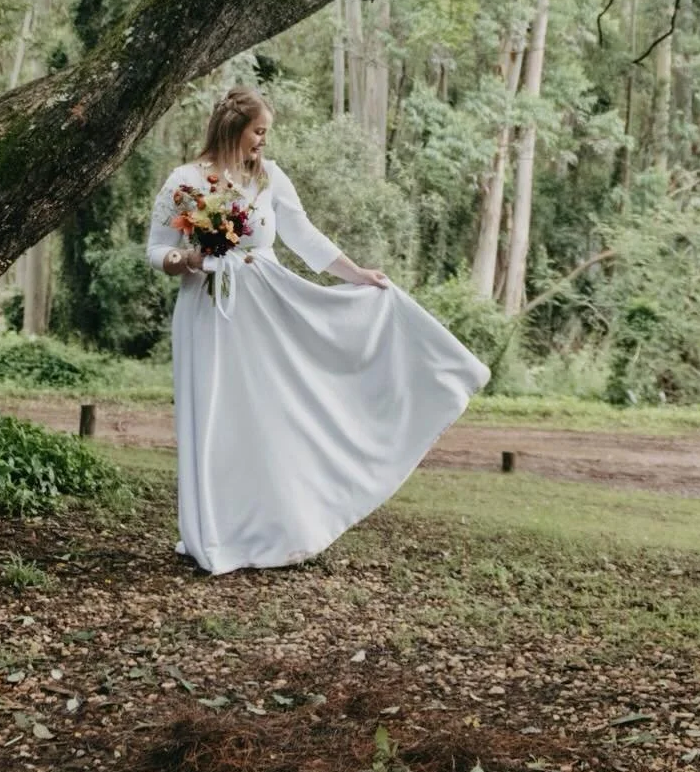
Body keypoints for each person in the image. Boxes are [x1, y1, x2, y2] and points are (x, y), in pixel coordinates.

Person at [148, 85, 490, 575]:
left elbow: (304, 237)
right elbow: (157, 251)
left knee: (269, 414)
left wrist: (357, 275)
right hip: (208, 311)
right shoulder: (184, 180)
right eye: (258, 131)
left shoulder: (269, 178)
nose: (263, 141)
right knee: (214, 414)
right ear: (233, 130)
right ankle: (213, 531)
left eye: (265, 132)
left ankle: (275, 524)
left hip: (266, 308)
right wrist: (193, 258)